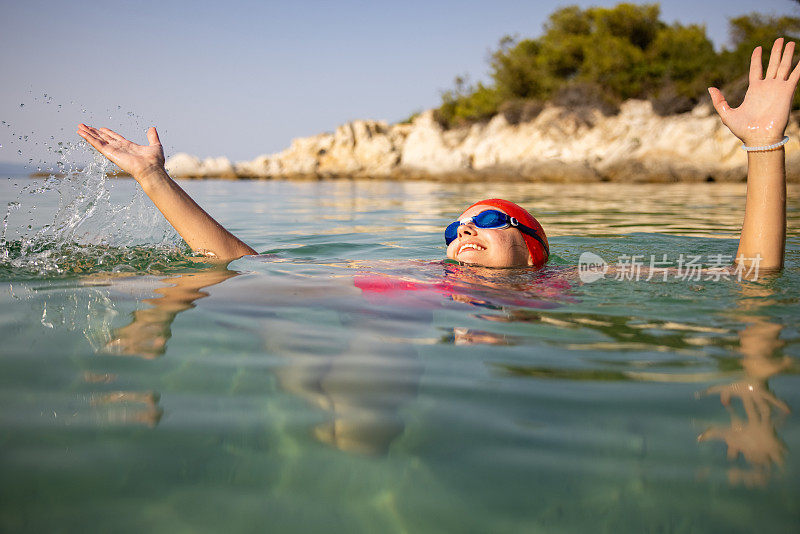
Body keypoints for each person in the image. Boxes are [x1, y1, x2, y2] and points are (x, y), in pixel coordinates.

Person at [77, 38, 798, 271]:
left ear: (535, 246)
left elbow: (752, 278)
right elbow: (244, 269)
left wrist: (765, 147)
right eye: (454, 229)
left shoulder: (578, 286)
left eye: (486, 217)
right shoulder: (411, 280)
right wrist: (153, 179)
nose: (465, 233)